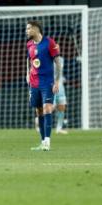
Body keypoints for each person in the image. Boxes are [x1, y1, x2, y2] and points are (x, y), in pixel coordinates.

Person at [25, 20, 62, 151]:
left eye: (29, 28)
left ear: (36, 29)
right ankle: (42, 142)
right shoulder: (29, 44)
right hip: (34, 83)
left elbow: (58, 63)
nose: (27, 31)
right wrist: (27, 74)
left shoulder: (49, 42)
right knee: (39, 111)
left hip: (47, 83)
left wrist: (57, 81)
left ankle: (47, 142)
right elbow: (29, 60)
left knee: (47, 109)